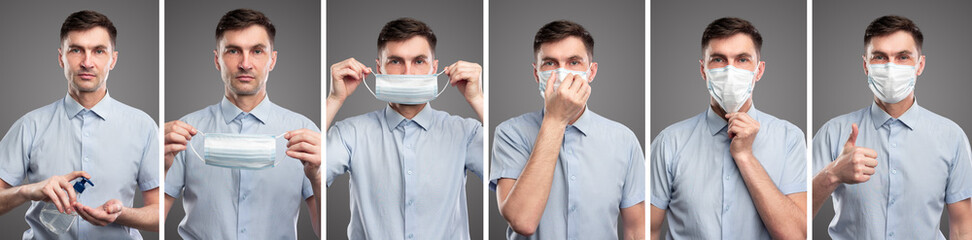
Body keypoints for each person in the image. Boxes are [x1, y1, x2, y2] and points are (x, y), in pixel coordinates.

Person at [0, 10, 160, 239]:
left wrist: (121, 214)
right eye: (76, 50)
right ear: (61, 57)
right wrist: (27, 191)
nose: (87, 62)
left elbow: (158, 215)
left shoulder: (143, 126)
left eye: (98, 51)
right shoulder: (30, 126)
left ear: (113, 59)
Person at [162, 9, 321, 239]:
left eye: (257, 51)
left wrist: (316, 176)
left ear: (272, 60)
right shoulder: (185, 132)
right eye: (233, 51)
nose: (245, 64)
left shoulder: (304, 133)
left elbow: (322, 231)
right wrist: (161, 165)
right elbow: (156, 220)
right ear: (217, 59)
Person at [811, 15, 972, 239]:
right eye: (879, 57)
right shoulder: (832, 133)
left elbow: (963, 228)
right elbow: (798, 215)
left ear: (920, 65)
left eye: (903, 57)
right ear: (866, 66)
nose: (890, 67)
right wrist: (833, 175)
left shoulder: (951, 137)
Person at [649, 17, 808, 240]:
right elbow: (646, 230)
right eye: (718, 60)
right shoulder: (669, 142)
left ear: (759, 71)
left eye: (742, 60)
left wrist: (745, 156)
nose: (730, 70)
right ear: (703, 70)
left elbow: (797, 236)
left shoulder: (789, 138)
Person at [325, 17, 484, 239]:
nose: (408, 73)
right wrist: (334, 99)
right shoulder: (350, 133)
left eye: (419, 61)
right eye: (396, 61)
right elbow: (310, 177)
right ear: (379, 68)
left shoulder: (466, 132)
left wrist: (478, 99)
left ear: (434, 68)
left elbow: (510, 173)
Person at [491, 20, 645, 239]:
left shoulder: (624, 140)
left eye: (574, 62)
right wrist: (555, 119)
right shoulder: (509, 134)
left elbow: (636, 230)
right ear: (537, 74)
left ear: (591, 72)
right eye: (550, 63)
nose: (562, 73)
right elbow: (522, 221)